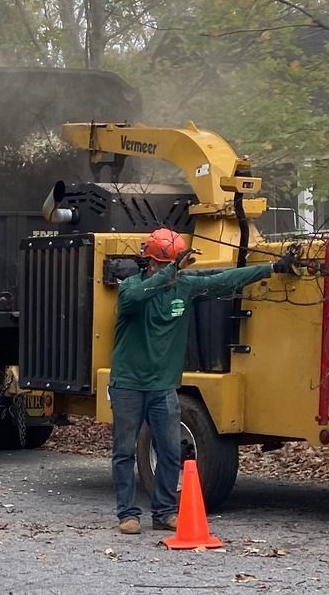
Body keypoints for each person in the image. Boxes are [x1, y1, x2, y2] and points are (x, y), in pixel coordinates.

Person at [110, 228, 294, 534]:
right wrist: (170, 270)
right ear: (149, 263)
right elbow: (135, 299)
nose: (161, 269)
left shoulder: (184, 288)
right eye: (158, 263)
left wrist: (271, 268)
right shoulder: (131, 287)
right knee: (124, 451)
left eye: (165, 264)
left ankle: (164, 512)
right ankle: (127, 514)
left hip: (163, 386)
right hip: (128, 383)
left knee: (170, 450)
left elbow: (224, 280)